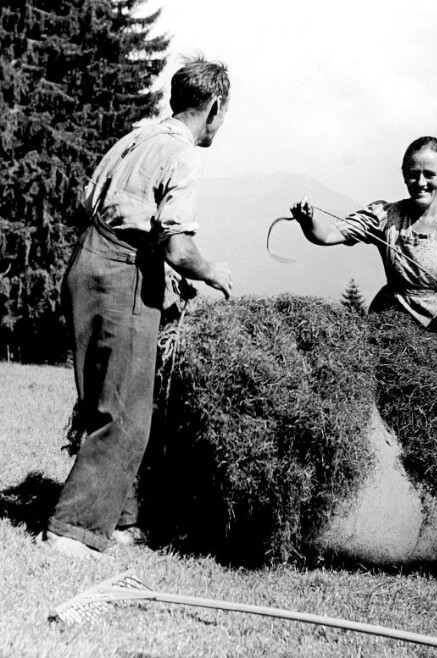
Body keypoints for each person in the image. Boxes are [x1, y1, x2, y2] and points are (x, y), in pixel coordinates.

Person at [37, 57, 233, 557]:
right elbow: (176, 248)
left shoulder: (137, 136)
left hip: (86, 261)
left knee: (102, 396)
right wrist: (212, 272)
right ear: (214, 106)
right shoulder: (184, 155)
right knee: (125, 412)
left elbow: (89, 200)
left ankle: (122, 519)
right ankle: (73, 529)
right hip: (126, 267)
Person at [291, 136, 437, 347]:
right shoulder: (385, 215)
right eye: (413, 174)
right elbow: (326, 235)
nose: (421, 183)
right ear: (404, 175)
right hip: (396, 327)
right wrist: (308, 221)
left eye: (429, 175)